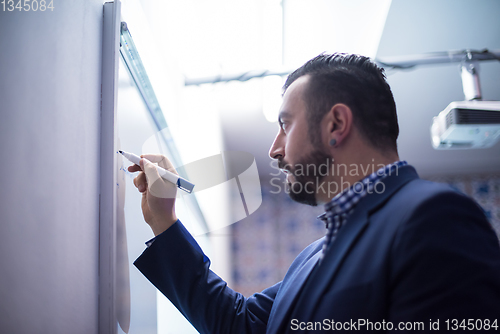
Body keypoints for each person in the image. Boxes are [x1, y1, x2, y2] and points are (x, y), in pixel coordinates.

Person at [128, 53, 500, 333]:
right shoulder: (312, 257)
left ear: (336, 124)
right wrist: (165, 220)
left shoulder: (434, 218)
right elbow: (237, 324)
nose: (275, 149)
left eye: (286, 125)